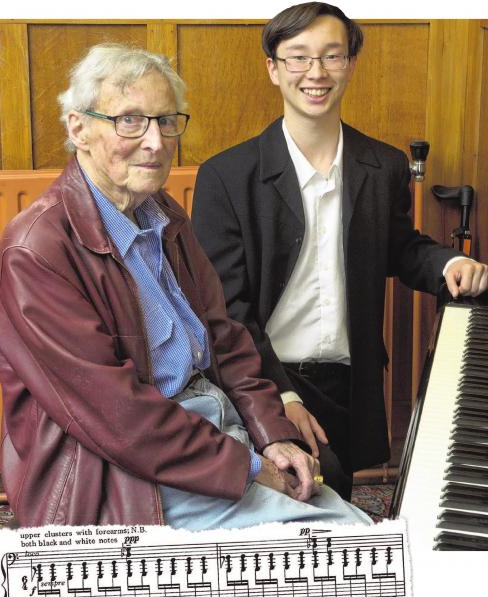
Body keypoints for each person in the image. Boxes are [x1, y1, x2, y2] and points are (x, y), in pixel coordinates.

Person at [0, 43, 370, 529]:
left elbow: (226, 335)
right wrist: (251, 468)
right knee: (345, 543)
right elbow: (119, 418)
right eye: (130, 120)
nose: (155, 141)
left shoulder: (163, 213)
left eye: (166, 121)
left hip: (206, 428)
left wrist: (271, 433)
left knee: (355, 528)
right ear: (78, 128)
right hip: (123, 473)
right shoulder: (36, 249)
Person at [191, 2, 488, 495]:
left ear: (350, 64)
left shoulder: (384, 165)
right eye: (299, 57)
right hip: (266, 378)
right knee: (296, 514)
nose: (316, 72)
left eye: (331, 56)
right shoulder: (226, 176)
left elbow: (398, 247)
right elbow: (225, 310)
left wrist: (450, 262)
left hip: (350, 382)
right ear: (273, 68)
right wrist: (279, 395)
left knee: (339, 514)